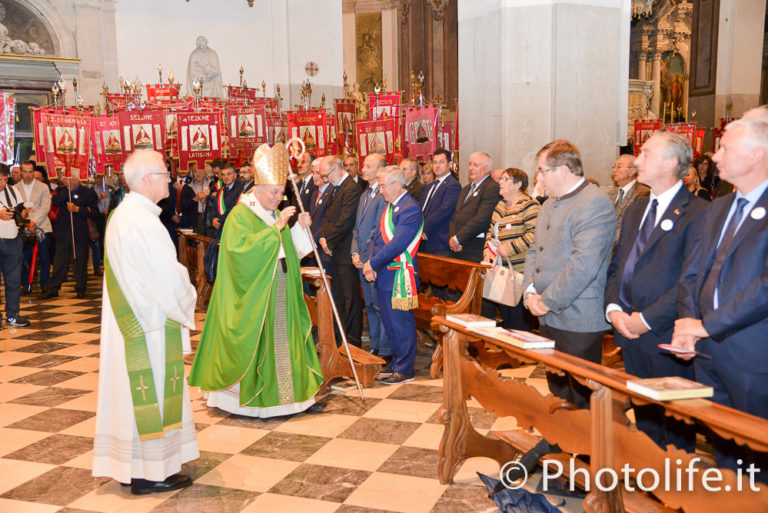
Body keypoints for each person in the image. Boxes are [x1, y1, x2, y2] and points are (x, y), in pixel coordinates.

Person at [189, 143, 324, 417]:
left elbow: (288, 251)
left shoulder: (273, 212)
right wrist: (276, 229)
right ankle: (251, 402)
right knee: (260, 343)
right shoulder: (242, 214)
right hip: (255, 297)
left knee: (285, 342)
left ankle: (291, 399)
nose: (279, 198)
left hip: (281, 290)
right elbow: (240, 253)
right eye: (275, 192)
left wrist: (300, 229)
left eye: (281, 192)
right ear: (258, 190)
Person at [92, 150, 199, 495]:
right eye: (166, 173)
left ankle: (133, 468)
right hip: (150, 328)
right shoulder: (141, 221)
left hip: (131, 326)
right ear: (147, 179)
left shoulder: (124, 216)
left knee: (133, 396)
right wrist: (190, 292)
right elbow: (166, 278)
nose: (170, 179)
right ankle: (152, 473)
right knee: (150, 395)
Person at [673, 117, 768, 480]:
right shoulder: (719, 205)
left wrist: (705, 325)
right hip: (707, 350)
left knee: (757, 463)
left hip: (752, 355)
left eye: (726, 147)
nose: (714, 155)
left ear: (757, 154)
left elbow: (764, 286)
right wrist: (686, 323)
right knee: (724, 452)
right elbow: (692, 272)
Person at [605, 132, 706, 453]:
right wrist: (613, 310)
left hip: (665, 334)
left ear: (671, 163)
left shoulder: (699, 212)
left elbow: (691, 280)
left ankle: (677, 493)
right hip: (628, 331)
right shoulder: (637, 210)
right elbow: (619, 265)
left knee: (676, 427)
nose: (637, 160)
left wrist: (646, 320)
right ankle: (651, 484)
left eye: (647, 153)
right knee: (646, 419)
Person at [523, 139, 615, 408]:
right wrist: (530, 291)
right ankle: (562, 445)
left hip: (578, 317)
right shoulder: (550, 204)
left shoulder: (594, 202)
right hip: (548, 312)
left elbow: (584, 263)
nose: (538, 178)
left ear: (562, 170)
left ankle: (584, 450)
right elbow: (533, 250)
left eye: (542, 171)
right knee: (558, 389)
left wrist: (546, 300)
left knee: (581, 397)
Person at [363, 166, 423, 384]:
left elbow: (397, 244)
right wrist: (370, 262)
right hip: (384, 273)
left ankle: (405, 368)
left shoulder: (410, 209)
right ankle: (397, 362)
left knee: (401, 323)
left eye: (383, 186)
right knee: (389, 322)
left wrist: (373, 263)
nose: (380, 191)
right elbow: (376, 238)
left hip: (399, 275)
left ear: (397, 185)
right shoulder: (389, 208)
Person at [482, 168, 540, 330]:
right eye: (500, 179)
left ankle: (520, 354)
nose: (500, 182)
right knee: (506, 320)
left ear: (518, 184)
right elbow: (491, 231)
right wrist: (488, 250)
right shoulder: (501, 205)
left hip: (520, 273)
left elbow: (535, 234)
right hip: (501, 272)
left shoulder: (529, 205)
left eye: (505, 179)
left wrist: (510, 248)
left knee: (518, 322)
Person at [319, 155, 364, 347]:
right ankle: (340, 337)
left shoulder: (351, 189)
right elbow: (328, 216)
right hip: (334, 250)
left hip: (345, 250)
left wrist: (329, 240)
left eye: (325, 175)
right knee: (338, 296)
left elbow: (346, 220)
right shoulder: (335, 188)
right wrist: (323, 238)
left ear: (337, 169)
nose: (324, 179)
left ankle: (352, 340)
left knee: (350, 297)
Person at [351, 154, 390, 361]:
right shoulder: (365, 195)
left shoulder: (383, 196)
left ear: (379, 170)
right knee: (370, 306)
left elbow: (377, 231)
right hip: (362, 260)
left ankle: (384, 348)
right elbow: (357, 229)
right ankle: (374, 343)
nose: (362, 169)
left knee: (379, 305)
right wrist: (355, 252)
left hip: (373, 261)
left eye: (367, 166)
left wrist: (366, 258)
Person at [43, 174, 98, 299]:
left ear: (76, 178)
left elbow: (95, 212)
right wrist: (68, 191)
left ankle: (80, 288)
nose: (65, 180)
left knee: (80, 261)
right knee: (59, 261)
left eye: (69, 177)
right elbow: (55, 202)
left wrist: (78, 209)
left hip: (81, 232)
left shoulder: (87, 192)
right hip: (63, 232)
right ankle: (53, 288)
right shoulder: (61, 191)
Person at [448, 152, 502, 262]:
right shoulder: (465, 189)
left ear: (487, 168)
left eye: (475, 165)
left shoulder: (492, 188)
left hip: (475, 250)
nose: (471, 168)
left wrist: (458, 238)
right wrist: (453, 238)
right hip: (458, 248)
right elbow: (455, 217)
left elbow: (482, 219)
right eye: (470, 164)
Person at [15, 160, 51, 294]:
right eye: (25, 172)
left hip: (42, 227)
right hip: (23, 228)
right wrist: (26, 222)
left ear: (34, 172)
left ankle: (45, 284)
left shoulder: (43, 187)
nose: (28, 175)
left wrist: (33, 221)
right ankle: (25, 284)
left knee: (44, 257)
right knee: (24, 258)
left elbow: (45, 207)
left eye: (30, 172)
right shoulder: (15, 188)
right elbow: (16, 209)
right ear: (21, 172)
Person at [0, 166, 30, 327]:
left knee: (13, 281)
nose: (3, 183)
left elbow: (21, 208)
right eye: (0, 180)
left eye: (5, 179)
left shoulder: (12, 191)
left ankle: (12, 315)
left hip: (12, 241)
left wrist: (23, 214)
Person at [419, 148, 461, 256]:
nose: (437, 165)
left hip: (440, 242)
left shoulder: (453, 185)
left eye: (441, 162)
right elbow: (422, 209)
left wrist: (425, 227)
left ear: (449, 164)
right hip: (424, 240)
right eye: (435, 162)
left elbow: (444, 210)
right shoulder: (430, 186)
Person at [608, 154, 650, 244]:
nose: (614, 170)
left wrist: (604, 240)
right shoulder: (610, 194)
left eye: (619, 167)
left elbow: (634, 227)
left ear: (632, 171)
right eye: (614, 167)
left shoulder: (643, 193)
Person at [210, 162, 242, 238]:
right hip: (220, 229)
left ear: (235, 175)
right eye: (223, 175)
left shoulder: (240, 189)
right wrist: (213, 219)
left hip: (234, 229)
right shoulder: (221, 191)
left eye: (228, 174)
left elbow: (234, 209)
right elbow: (214, 208)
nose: (226, 177)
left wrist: (219, 220)